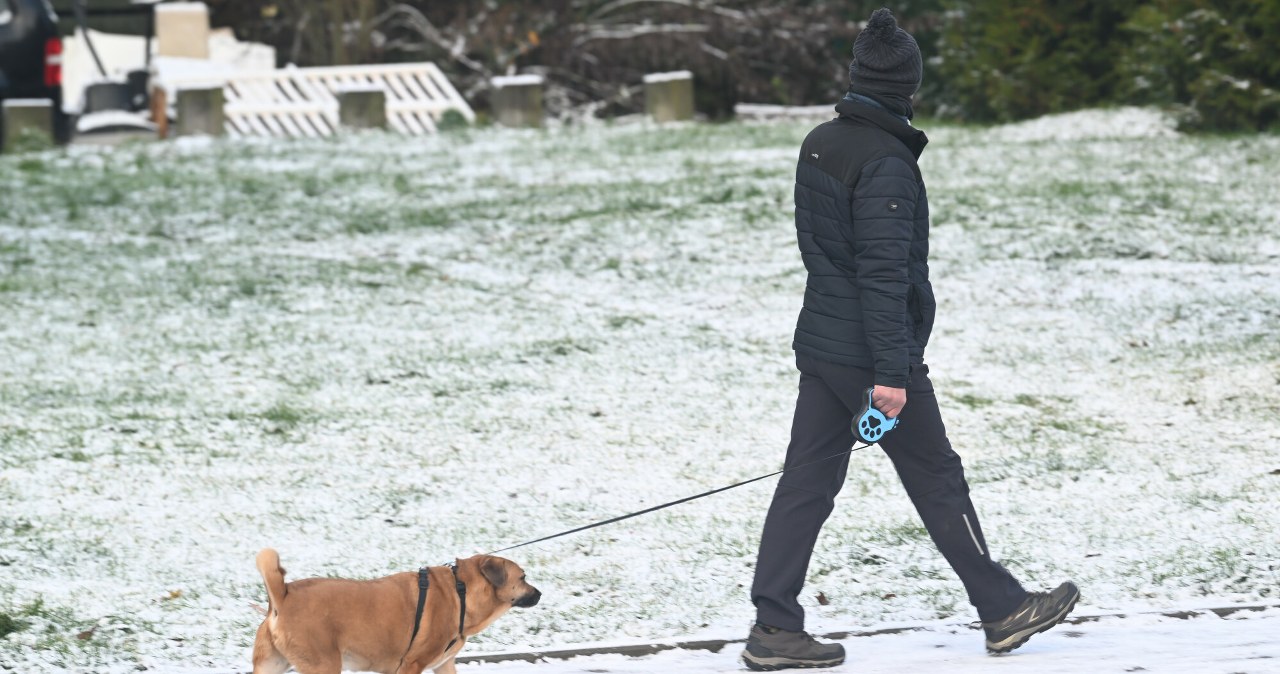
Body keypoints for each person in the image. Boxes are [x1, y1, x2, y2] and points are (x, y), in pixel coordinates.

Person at [741, 8, 1079, 671]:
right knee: (936, 476)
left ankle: (773, 627)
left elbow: (828, 254)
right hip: (872, 351)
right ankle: (1004, 608)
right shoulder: (886, 161)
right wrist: (891, 375)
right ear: (907, 86)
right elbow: (883, 274)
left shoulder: (821, 141)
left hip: (825, 344)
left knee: (806, 485)